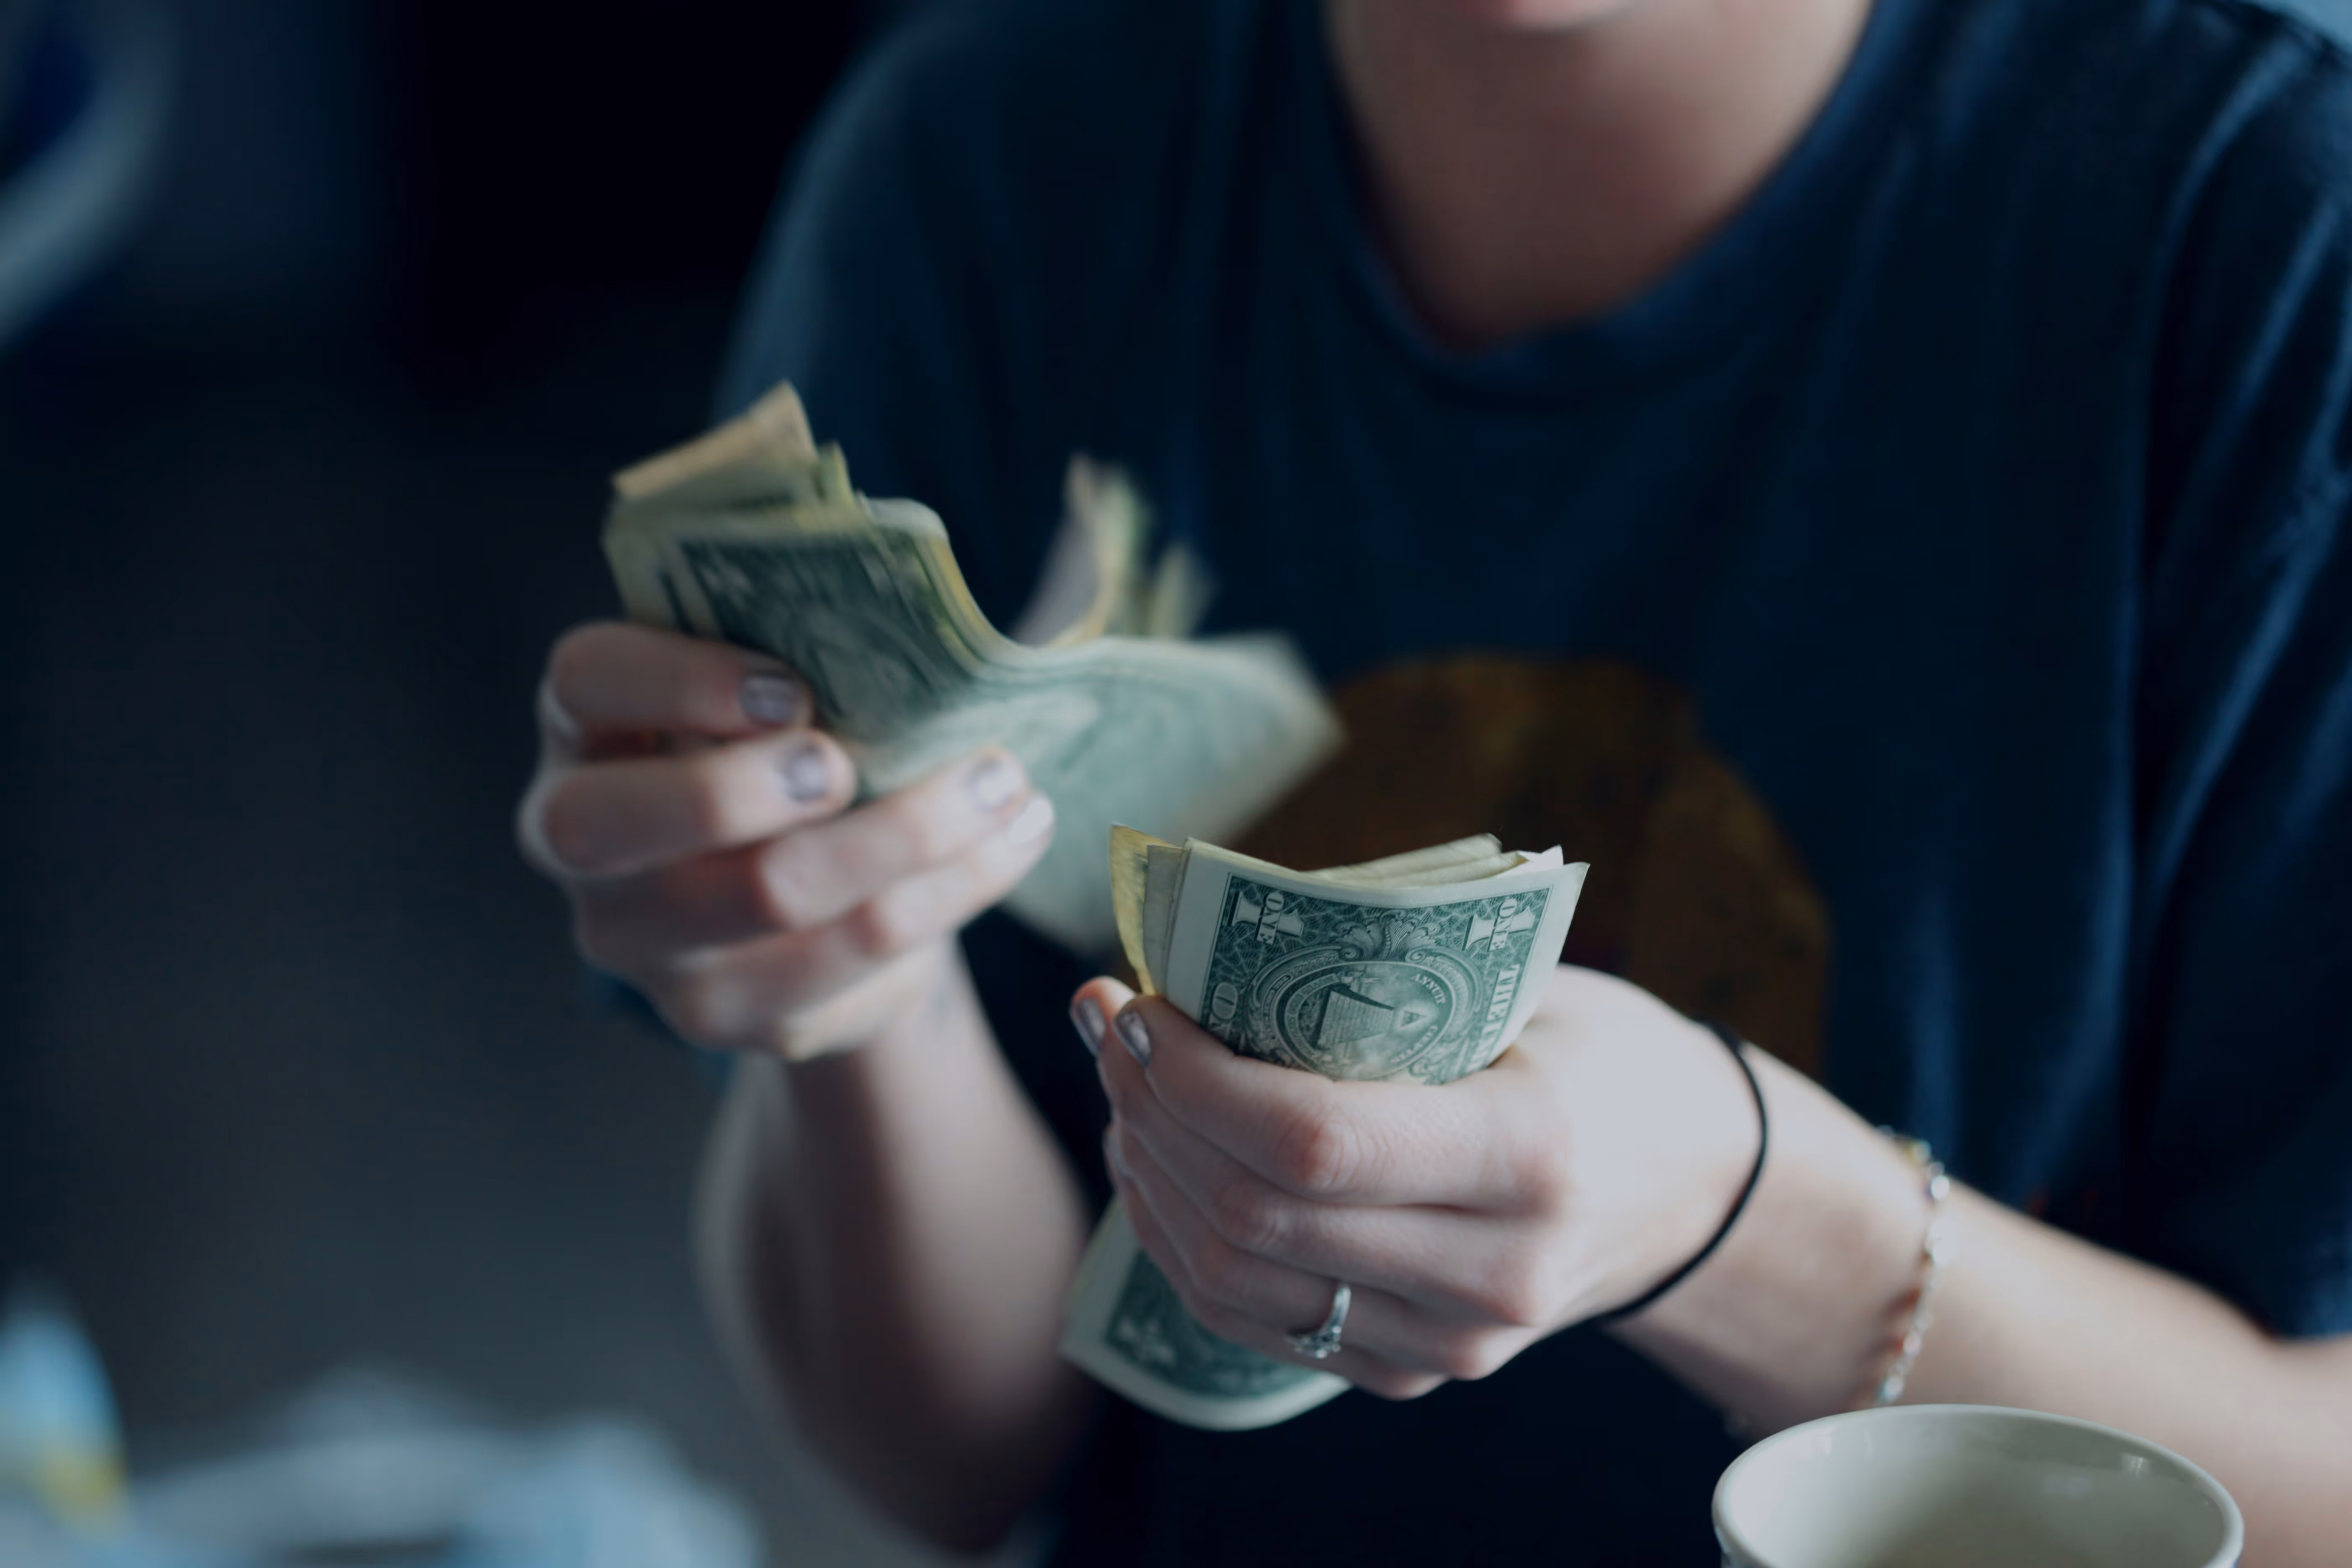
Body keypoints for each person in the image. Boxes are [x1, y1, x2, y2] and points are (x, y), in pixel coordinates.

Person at [515, 0, 2352, 1559]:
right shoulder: (994, 158)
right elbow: (966, 1458)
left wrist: (1752, 1219)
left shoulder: (2266, 243)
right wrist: (851, 997)